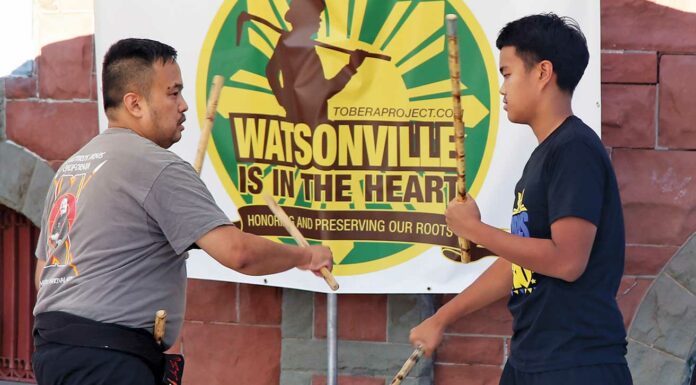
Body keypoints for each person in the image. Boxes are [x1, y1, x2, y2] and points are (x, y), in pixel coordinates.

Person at [31, 38, 333, 385]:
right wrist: (304, 256)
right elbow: (238, 254)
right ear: (135, 103)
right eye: (173, 93)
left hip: (52, 355)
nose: (185, 105)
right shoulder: (156, 165)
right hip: (109, 360)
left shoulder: (73, 167)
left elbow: (45, 275)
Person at [409, 14, 632, 385]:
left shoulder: (575, 150)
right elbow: (520, 263)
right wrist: (441, 318)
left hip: (577, 365)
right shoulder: (545, 155)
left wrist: (476, 230)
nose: (501, 88)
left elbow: (567, 261)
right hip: (531, 359)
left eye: (507, 73)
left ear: (543, 73)